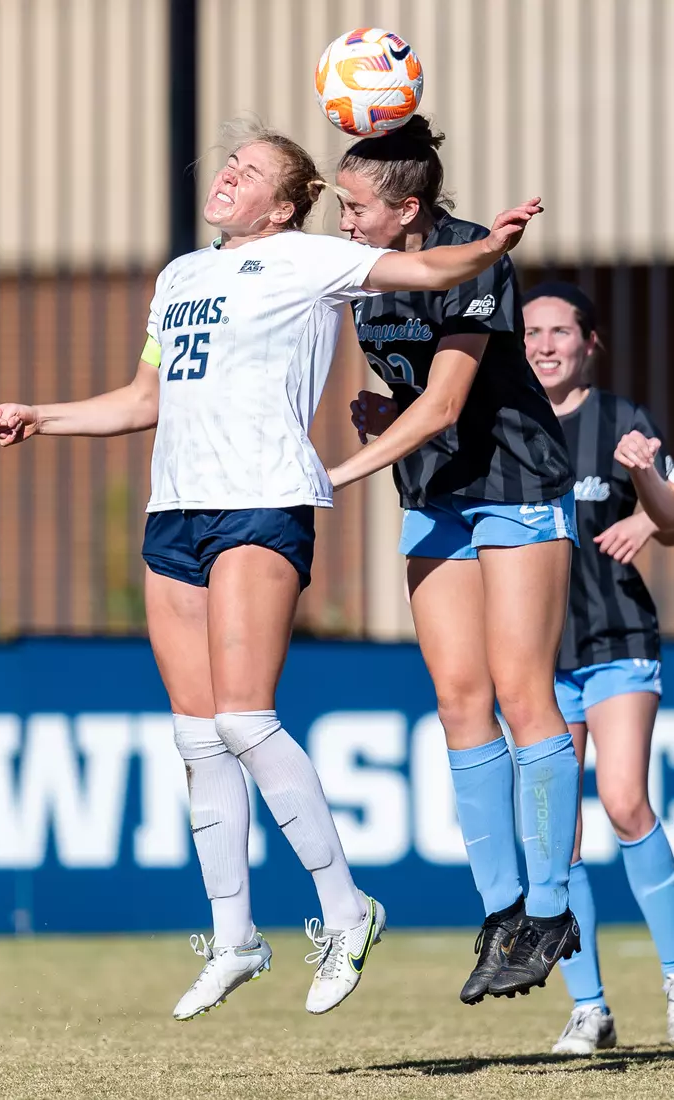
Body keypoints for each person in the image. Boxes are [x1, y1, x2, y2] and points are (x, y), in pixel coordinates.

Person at [0, 124, 540, 1021]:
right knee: (197, 736)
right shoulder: (179, 277)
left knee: (245, 720)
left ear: (283, 205)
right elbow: (144, 400)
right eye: (227, 165)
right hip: (176, 510)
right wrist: (41, 416)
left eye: (248, 172)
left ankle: (346, 910)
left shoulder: (309, 258)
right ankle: (237, 939)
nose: (227, 176)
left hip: (262, 499)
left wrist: (490, 244)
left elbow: (431, 274)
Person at [333, 115, 581, 1003]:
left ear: (407, 210)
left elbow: (442, 404)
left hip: (514, 484)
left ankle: (550, 912)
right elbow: (409, 396)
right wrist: (377, 412)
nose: (344, 219)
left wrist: (335, 472)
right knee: (457, 701)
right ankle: (502, 911)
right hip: (433, 495)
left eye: (355, 206)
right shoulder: (364, 277)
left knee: (522, 693)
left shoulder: (474, 253)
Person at [522, 281, 674, 1053]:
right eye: (532, 333)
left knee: (621, 801)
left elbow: (673, 521)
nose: (544, 345)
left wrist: (646, 498)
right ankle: (588, 1007)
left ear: (589, 343)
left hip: (616, 642)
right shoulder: (504, 424)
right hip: (537, 659)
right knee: (555, 841)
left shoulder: (621, 422)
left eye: (559, 332)